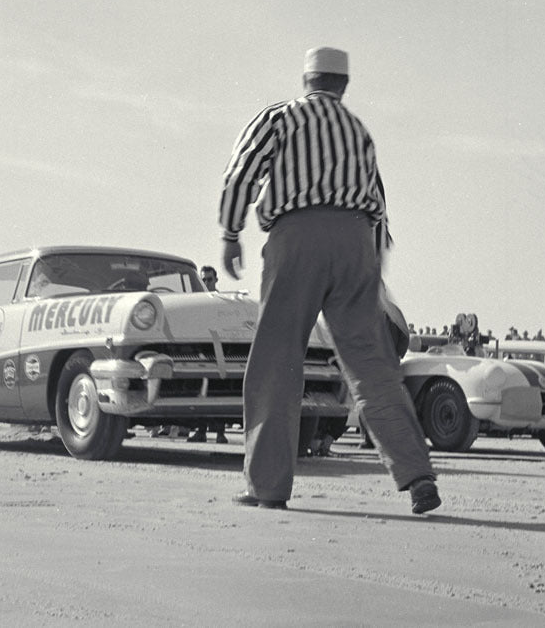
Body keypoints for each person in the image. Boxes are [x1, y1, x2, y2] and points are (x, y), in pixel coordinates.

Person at [218, 46, 440, 515]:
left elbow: (240, 175)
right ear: (343, 85)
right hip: (356, 242)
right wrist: (372, 266)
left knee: (277, 360)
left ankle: (267, 487)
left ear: (306, 79)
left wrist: (230, 232)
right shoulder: (358, 130)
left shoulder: (279, 117)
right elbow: (377, 199)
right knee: (372, 364)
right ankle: (417, 474)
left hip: (296, 237)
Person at [188, 266, 230, 445]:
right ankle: (201, 431)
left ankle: (220, 432)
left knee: (219, 393)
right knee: (201, 393)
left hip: (220, 353)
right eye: (203, 280)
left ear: (216, 280)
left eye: (209, 279)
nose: (206, 283)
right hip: (202, 353)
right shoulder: (195, 302)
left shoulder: (222, 302)